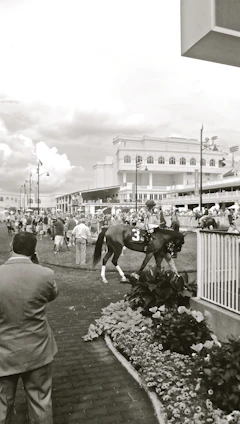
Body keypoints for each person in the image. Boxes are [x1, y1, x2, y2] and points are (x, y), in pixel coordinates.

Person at [0, 232, 58, 424]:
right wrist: (37, 264)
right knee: (41, 402)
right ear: (34, 251)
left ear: (11, 247)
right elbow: (51, 295)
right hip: (38, 349)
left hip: (4, 352)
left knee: (2, 405)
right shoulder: (45, 274)